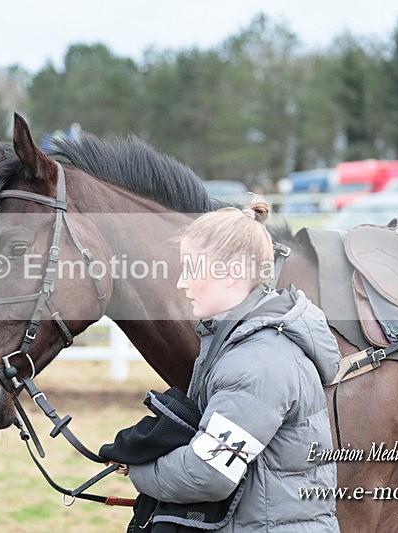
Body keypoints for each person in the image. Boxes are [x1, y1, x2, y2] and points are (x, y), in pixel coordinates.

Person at [120, 199, 341, 531]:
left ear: (232, 273)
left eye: (192, 269)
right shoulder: (237, 345)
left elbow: (209, 473)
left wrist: (139, 469)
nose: (181, 283)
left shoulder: (258, 362)